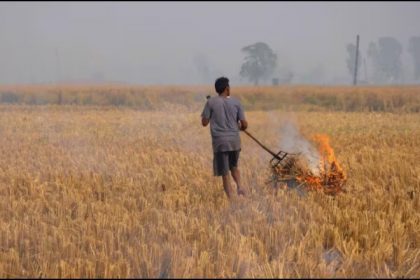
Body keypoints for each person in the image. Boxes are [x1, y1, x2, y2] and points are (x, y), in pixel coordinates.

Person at [201, 77, 248, 199]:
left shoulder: (211, 102)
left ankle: (232, 200)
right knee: (234, 167)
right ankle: (240, 186)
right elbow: (244, 125)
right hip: (234, 142)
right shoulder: (236, 102)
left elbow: (204, 122)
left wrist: (211, 113)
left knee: (225, 173)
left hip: (220, 143)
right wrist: (240, 126)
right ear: (227, 88)